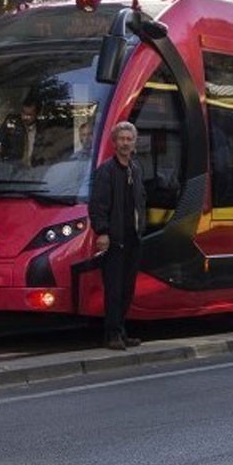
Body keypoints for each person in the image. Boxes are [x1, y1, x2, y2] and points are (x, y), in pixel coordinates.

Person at [89, 121, 147, 350]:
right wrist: (102, 232)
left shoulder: (136, 169)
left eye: (129, 139)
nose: (125, 143)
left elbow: (140, 201)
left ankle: (121, 331)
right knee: (114, 289)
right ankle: (112, 334)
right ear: (114, 143)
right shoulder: (106, 171)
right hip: (114, 240)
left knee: (127, 289)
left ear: (134, 143)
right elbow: (98, 205)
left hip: (133, 239)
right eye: (121, 139)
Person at [0, 99, 68, 167]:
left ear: (37, 114)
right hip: (14, 170)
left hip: (38, 171)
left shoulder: (45, 127)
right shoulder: (13, 121)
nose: (25, 117)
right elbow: (1, 132)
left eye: (29, 115)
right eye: (23, 113)